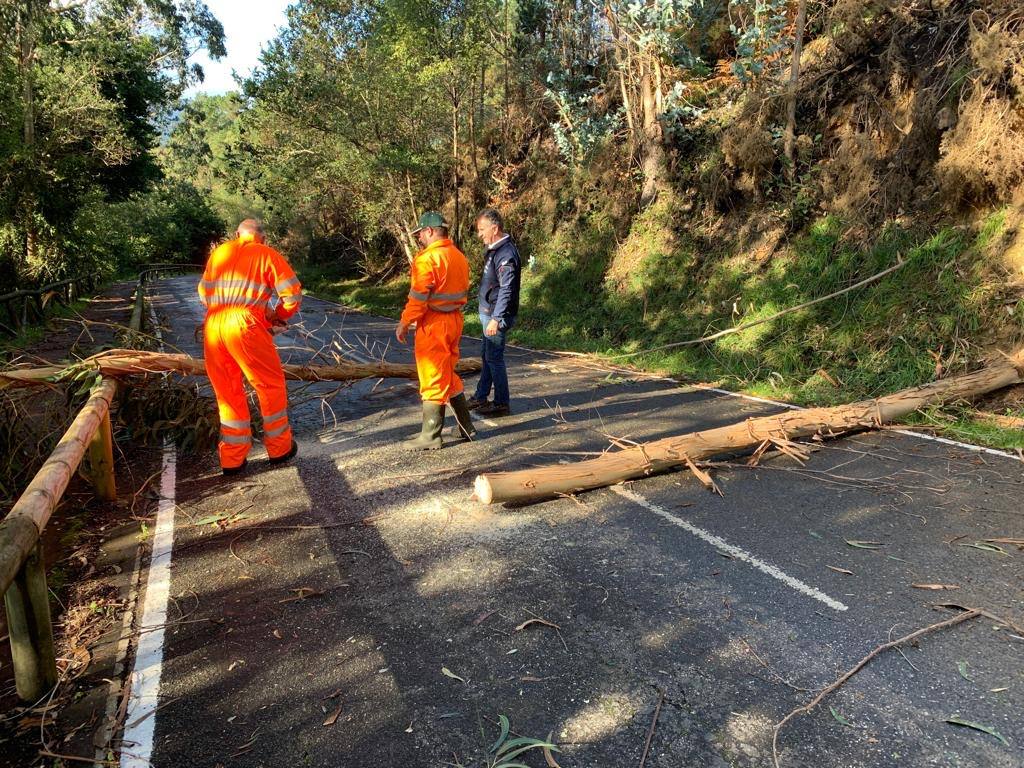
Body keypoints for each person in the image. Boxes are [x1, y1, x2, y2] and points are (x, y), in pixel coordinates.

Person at [199, 219, 302, 474]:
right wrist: (276, 315)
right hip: (245, 325)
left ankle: (232, 458)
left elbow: (203, 293)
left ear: (237, 235)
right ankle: (279, 449)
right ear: (262, 238)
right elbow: (292, 295)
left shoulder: (219, 253)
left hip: (213, 325)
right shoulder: (267, 255)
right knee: (268, 384)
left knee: (227, 390)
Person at [395, 211, 475, 449]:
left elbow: (418, 298)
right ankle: (466, 427)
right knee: (448, 374)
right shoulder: (458, 256)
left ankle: (430, 436)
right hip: (455, 321)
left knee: (432, 376)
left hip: (434, 324)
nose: (419, 238)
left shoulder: (427, 259)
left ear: (429, 231)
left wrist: (404, 322)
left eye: (420, 234)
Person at [467, 208, 521, 417]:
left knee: (494, 358)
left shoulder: (506, 253)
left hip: (495, 316)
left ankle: (501, 403)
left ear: (494, 228)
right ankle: (481, 396)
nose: (479, 234)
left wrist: (496, 319)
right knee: (487, 356)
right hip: (488, 313)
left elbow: (507, 288)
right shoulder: (493, 250)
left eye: (482, 230)